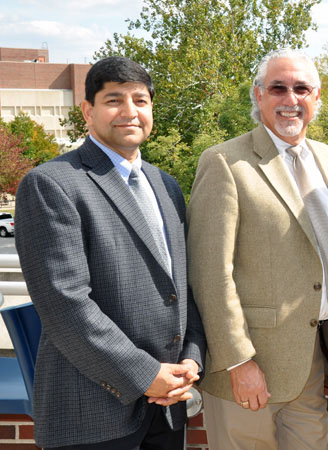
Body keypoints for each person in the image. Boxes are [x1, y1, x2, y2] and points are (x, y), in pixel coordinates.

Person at [14, 56, 206, 449]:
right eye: (114, 100)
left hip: (167, 406)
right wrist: (145, 374)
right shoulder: (51, 184)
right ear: (88, 110)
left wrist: (192, 359)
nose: (130, 112)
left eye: (140, 100)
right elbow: (64, 305)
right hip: (92, 411)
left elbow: (182, 285)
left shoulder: (166, 185)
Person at [187, 48, 328, 449]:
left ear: (317, 97)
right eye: (278, 88)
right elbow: (209, 272)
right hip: (249, 367)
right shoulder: (224, 163)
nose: (290, 99)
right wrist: (238, 360)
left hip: (311, 361)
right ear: (258, 95)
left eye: (301, 88)